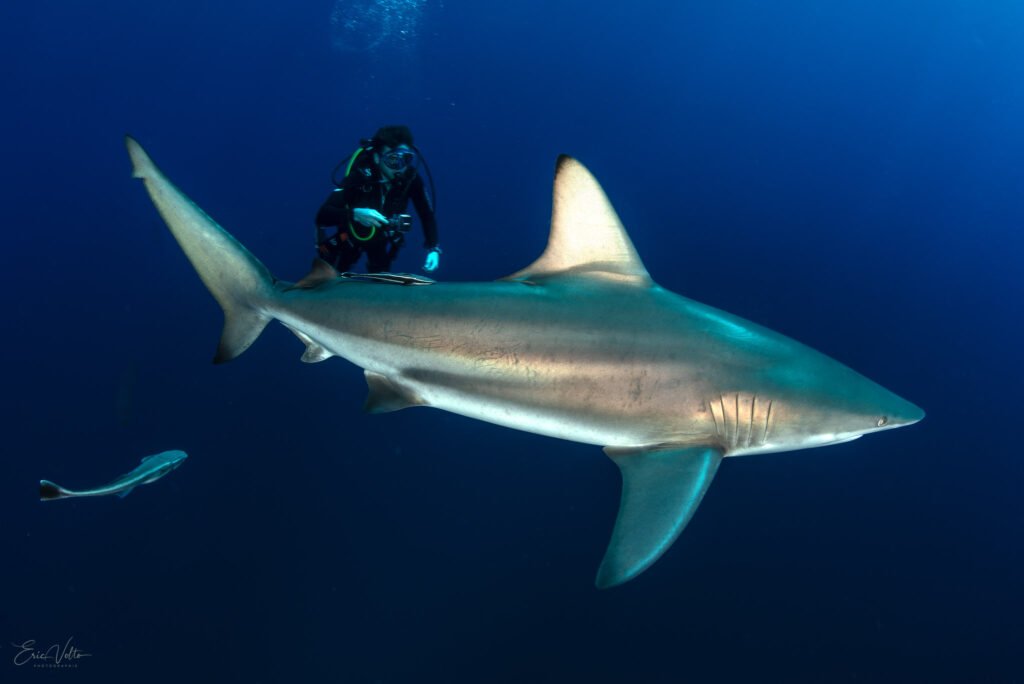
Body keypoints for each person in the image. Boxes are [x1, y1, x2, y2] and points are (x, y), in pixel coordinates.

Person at [315, 125, 440, 274]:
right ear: (376, 157)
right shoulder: (360, 176)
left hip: (382, 241)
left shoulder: (411, 179)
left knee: (381, 275)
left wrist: (433, 247)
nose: (400, 168)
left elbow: (426, 214)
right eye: (393, 160)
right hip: (351, 237)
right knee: (335, 271)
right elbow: (322, 215)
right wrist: (354, 214)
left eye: (406, 159)